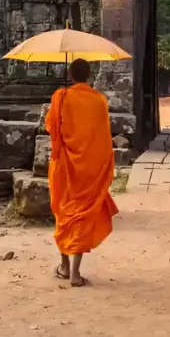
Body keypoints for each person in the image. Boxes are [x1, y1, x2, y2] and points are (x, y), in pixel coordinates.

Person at [46, 57, 119, 287]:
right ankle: (75, 273)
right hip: (90, 168)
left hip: (65, 168)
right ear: (89, 75)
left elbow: (51, 127)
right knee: (83, 216)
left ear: (70, 74)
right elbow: (103, 136)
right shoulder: (99, 100)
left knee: (64, 213)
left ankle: (65, 266)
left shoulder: (61, 97)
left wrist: (60, 107)